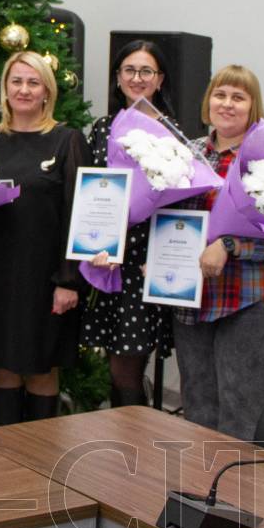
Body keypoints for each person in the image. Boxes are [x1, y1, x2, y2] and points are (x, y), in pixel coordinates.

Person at [0, 51, 88, 424]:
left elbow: (79, 214)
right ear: (5, 88)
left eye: (33, 82)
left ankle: (41, 452)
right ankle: (5, 451)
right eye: (17, 81)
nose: (24, 90)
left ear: (47, 91)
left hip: (45, 277)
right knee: (2, 366)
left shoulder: (67, 140)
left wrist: (69, 281)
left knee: (41, 367)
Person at [173, 65, 264, 439]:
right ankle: (198, 481)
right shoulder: (186, 153)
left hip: (251, 301)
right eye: (220, 95)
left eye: (238, 97)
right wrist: (161, 259)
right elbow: (168, 217)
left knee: (242, 417)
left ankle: (235, 483)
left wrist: (230, 246)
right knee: (198, 412)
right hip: (192, 299)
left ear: (253, 106)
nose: (227, 104)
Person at [82, 39, 179, 407]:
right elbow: (91, 192)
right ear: (118, 77)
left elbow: (180, 202)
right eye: (129, 70)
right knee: (112, 364)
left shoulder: (171, 133)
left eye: (146, 71)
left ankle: (135, 440)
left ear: (160, 79)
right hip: (106, 259)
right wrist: (92, 244)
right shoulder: (102, 128)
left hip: (144, 265)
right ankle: (118, 438)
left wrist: (162, 257)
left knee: (128, 369)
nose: (137, 78)